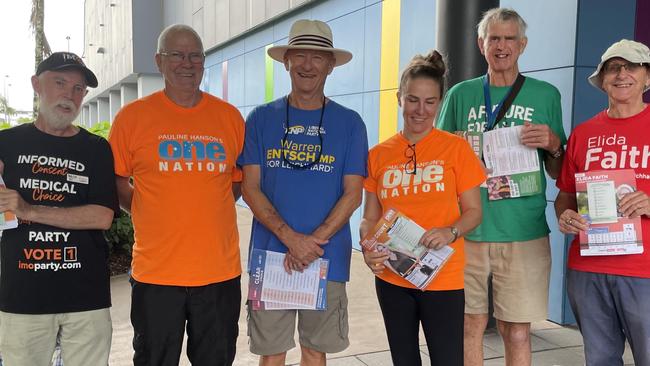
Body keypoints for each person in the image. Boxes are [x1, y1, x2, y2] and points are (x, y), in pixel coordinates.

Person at [436, 8, 567, 366]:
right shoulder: (460, 95)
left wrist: (554, 143)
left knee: (517, 330)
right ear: (481, 44)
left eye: (510, 38)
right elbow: (439, 163)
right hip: (467, 230)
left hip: (523, 230)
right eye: (494, 38)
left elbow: (558, 171)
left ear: (522, 45)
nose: (502, 46)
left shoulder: (545, 95)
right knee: (468, 324)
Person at [108, 24, 245, 365]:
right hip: (156, 274)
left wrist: (204, 205)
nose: (187, 63)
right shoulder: (132, 119)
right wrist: (143, 208)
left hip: (219, 273)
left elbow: (238, 181)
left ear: (203, 61)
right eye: (177, 55)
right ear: (159, 61)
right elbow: (116, 180)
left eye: (195, 55)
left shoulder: (229, 118)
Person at [238, 19, 368, 366]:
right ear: (287, 62)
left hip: (326, 259)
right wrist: (291, 239)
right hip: (271, 256)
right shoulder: (261, 119)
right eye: (300, 55)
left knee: (315, 351)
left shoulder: (350, 122)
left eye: (318, 56)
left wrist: (312, 244)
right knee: (271, 352)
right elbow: (250, 188)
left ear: (330, 65)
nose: (308, 64)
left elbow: (353, 193)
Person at [360, 50, 485, 366]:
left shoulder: (455, 149)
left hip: (443, 275)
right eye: (413, 100)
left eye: (430, 102)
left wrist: (450, 231)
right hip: (393, 276)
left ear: (440, 103)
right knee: (404, 360)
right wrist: (368, 246)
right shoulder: (378, 155)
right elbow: (369, 217)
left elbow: (474, 212)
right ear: (398, 98)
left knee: (447, 359)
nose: (421, 110)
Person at [0, 52, 117, 366]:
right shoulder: (5, 144)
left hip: (86, 298)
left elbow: (102, 216)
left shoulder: (96, 149)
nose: (70, 94)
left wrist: (29, 209)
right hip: (22, 297)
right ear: (37, 84)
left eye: (79, 89)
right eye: (60, 82)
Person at [555, 39, 650, 366]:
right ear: (603, 79)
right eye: (613, 67)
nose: (622, 74)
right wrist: (564, 216)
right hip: (588, 267)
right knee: (599, 360)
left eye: (632, 66)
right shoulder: (584, 133)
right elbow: (565, 195)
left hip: (644, 270)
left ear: (647, 77)